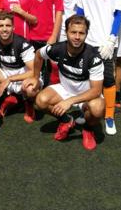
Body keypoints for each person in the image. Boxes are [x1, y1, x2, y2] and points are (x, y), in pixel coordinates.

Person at [33, 15, 105, 150]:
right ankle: (66, 121)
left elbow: (96, 91)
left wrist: (70, 101)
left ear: (86, 34)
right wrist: (35, 77)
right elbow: (38, 55)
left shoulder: (93, 57)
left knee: (98, 109)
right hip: (65, 89)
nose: (77, 37)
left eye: (81, 33)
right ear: (66, 32)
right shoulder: (56, 49)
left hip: (87, 94)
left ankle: (88, 129)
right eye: (73, 32)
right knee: (40, 101)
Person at [73, 0, 121, 135]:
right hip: (87, 43)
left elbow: (118, 15)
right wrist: (78, 36)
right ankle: (84, 110)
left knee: (108, 79)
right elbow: (79, 12)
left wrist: (111, 39)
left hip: (106, 44)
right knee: (86, 79)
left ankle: (109, 116)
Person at [0, 12, 37, 123]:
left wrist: (10, 79)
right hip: (6, 73)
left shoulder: (22, 44)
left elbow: (34, 72)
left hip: (24, 75)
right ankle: (8, 98)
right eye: (1, 26)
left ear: (13, 27)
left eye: (8, 25)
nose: (4, 29)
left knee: (30, 89)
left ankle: (28, 104)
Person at [24, 0, 64, 87]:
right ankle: (34, 101)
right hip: (32, 36)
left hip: (48, 37)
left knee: (52, 70)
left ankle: (50, 100)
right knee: (35, 72)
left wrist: (53, 36)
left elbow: (59, 12)